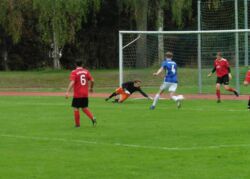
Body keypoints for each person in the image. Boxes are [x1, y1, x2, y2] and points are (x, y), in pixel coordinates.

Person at [65, 60, 96, 127]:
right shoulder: (86, 71)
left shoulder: (74, 72)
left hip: (78, 94)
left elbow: (72, 82)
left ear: (75, 65)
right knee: (84, 107)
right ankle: (93, 118)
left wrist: (67, 91)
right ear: (82, 64)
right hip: (85, 93)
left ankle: (77, 125)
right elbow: (92, 80)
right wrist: (91, 88)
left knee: (76, 108)